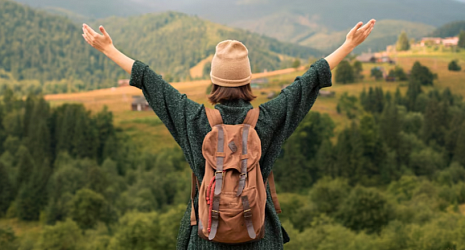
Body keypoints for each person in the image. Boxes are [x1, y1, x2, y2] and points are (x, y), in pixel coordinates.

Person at [82, 18, 376, 249]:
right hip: (260, 235)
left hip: (205, 236)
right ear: (247, 80)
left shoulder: (193, 118)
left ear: (213, 80)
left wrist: (108, 48)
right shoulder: (269, 118)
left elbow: (151, 82)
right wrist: (349, 45)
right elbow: (309, 81)